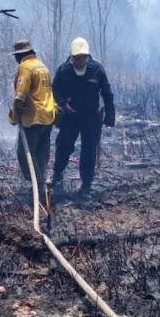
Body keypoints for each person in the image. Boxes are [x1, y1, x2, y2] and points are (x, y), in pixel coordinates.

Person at [50, 37, 115, 201]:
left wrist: (109, 114)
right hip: (70, 116)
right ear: (71, 56)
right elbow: (55, 89)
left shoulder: (97, 70)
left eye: (82, 58)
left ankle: (86, 185)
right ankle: (58, 173)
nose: (79, 61)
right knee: (63, 145)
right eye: (76, 58)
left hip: (90, 117)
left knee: (89, 150)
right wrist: (63, 103)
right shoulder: (63, 70)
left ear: (87, 56)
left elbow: (107, 93)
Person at [7, 39, 57, 204]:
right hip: (48, 116)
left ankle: (39, 187)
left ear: (20, 55)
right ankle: (42, 185)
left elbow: (20, 96)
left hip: (33, 118)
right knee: (41, 153)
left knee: (25, 154)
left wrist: (14, 117)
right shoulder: (42, 66)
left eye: (16, 56)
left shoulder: (25, 67)